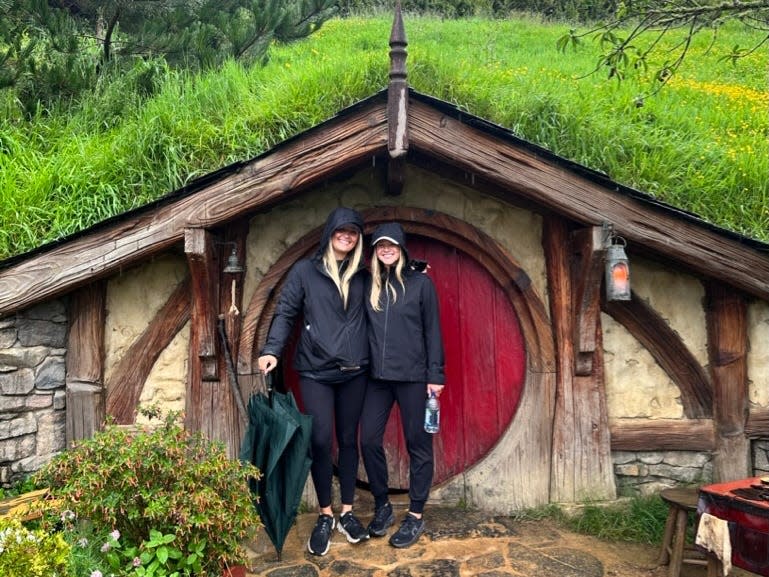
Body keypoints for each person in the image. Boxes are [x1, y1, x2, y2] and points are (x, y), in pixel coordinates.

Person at [257, 206, 370, 556]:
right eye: (341, 230)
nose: (347, 236)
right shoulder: (306, 271)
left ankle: (347, 513)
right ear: (330, 233)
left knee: (349, 440)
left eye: (353, 232)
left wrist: (413, 271)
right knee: (320, 441)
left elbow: (394, 285)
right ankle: (325, 516)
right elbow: (287, 311)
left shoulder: (363, 275)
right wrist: (272, 349)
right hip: (316, 371)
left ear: (358, 238)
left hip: (355, 371)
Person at [360, 222, 445, 548]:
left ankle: (415, 515)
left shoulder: (421, 284)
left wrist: (435, 376)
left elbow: (432, 332)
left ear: (401, 248)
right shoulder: (367, 282)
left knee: (417, 445)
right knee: (368, 439)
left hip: (413, 378)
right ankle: (382, 506)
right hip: (377, 379)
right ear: (375, 251)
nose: (386, 250)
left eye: (391, 245)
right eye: (380, 246)